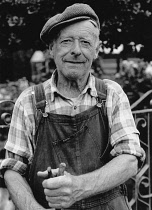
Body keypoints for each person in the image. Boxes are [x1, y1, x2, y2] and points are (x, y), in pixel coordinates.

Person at [0, 3, 145, 210]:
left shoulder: (112, 94)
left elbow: (130, 158)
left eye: (85, 42)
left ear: (96, 50)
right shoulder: (29, 101)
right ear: (52, 48)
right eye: (66, 41)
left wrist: (78, 186)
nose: (76, 51)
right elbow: (13, 169)